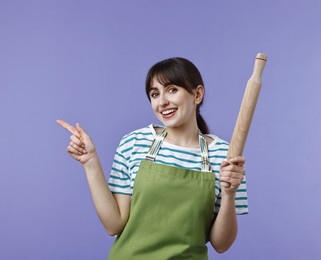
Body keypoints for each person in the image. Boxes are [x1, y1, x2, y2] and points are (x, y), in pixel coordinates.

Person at [57, 57, 247, 259]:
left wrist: (229, 193)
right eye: (155, 94)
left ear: (197, 94)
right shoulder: (134, 142)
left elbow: (221, 244)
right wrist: (90, 162)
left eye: (172, 89)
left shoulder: (225, 155)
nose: (162, 101)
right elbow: (113, 225)